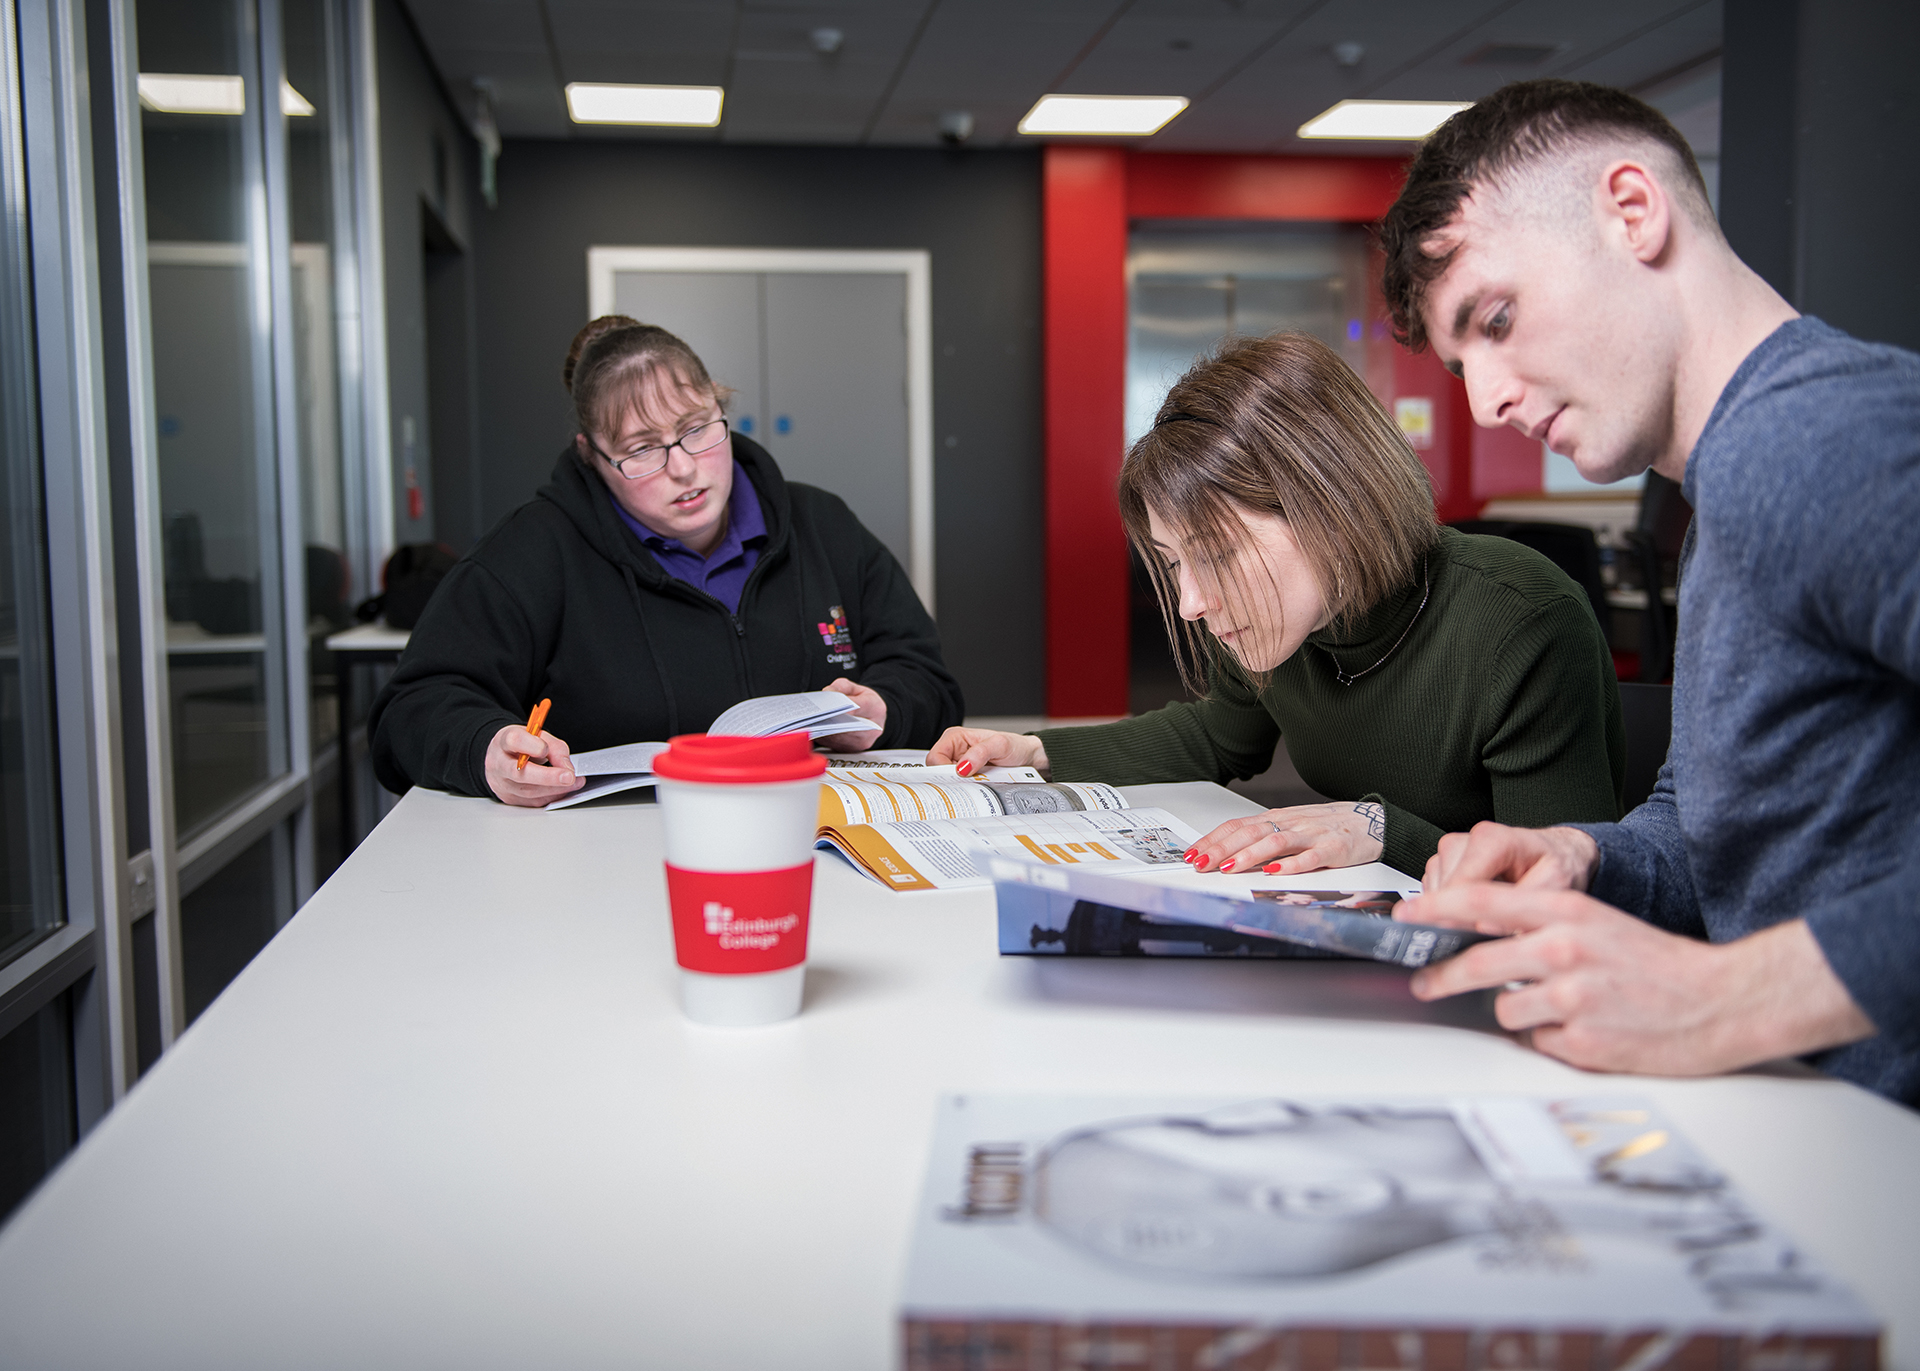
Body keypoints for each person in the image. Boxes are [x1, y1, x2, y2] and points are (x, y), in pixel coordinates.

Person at [1374, 80, 1920, 1105]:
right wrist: (1582, 855)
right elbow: (1731, 826)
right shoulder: (1720, 492)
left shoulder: (1810, 444)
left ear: (1633, 211)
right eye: (1461, 361)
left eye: (1496, 318)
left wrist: (1731, 998)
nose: (1485, 399)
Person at [932, 332, 1625, 879]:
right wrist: (1034, 748)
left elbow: (1560, 883)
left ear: (1332, 504)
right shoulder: (1273, 621)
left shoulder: (1519, 620)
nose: (1193, 603)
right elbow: (1218, 733)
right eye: (1176, 563)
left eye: (1218, 553)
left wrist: (1382, 831)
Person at [370, 316, 964, 805]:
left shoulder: (822, 525)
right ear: (591, 456)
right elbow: (411, 709)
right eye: (641, 450)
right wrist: (485, 748)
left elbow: (927, 678)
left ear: (719, 406)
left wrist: (884, 707)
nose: (683, 469)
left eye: (696, 429)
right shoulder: (533, 553)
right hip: (601, 874)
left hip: (820, 845)